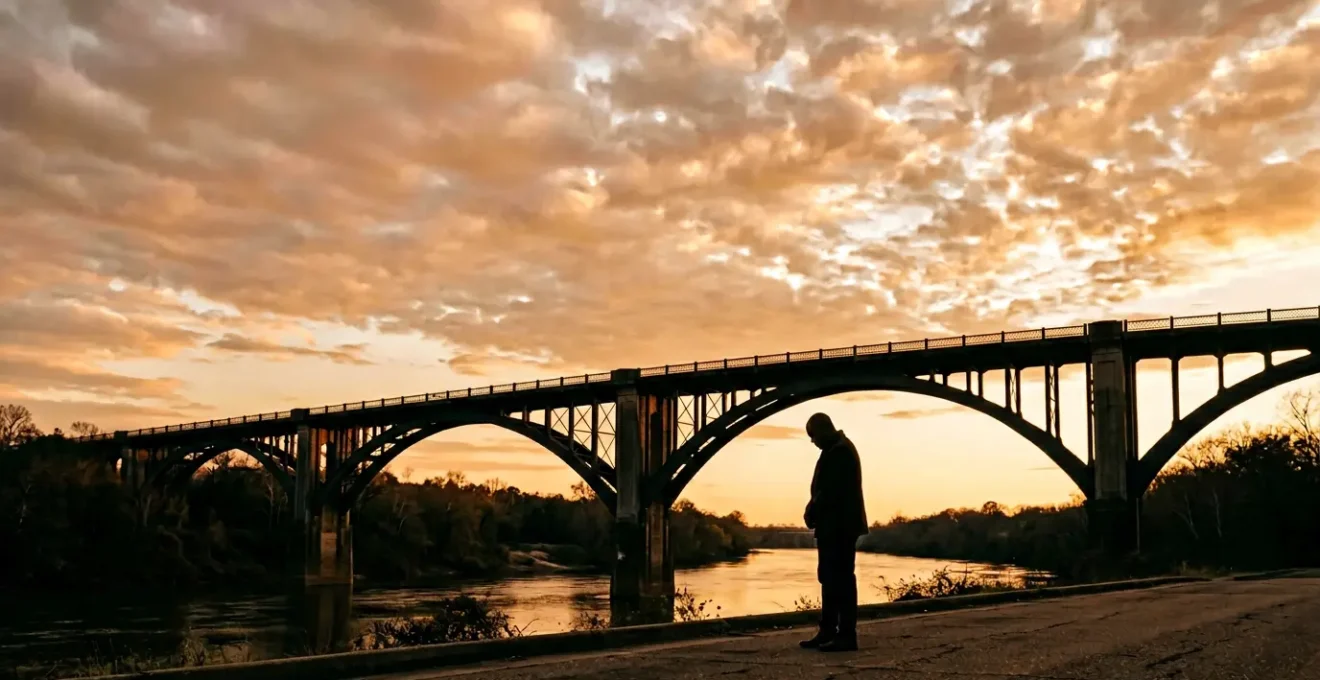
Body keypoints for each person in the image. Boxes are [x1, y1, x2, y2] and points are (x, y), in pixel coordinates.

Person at [799, 412, 867, 652]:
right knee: (830, 579)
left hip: (839, 526)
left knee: (841, 581)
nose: (812, 441)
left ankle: (845, 635)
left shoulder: (840, 451)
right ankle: (829, 631)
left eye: (813, 435)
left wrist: (812, 510)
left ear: (823, 430)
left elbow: (830, 492)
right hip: (835, 525)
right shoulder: (836, 449)